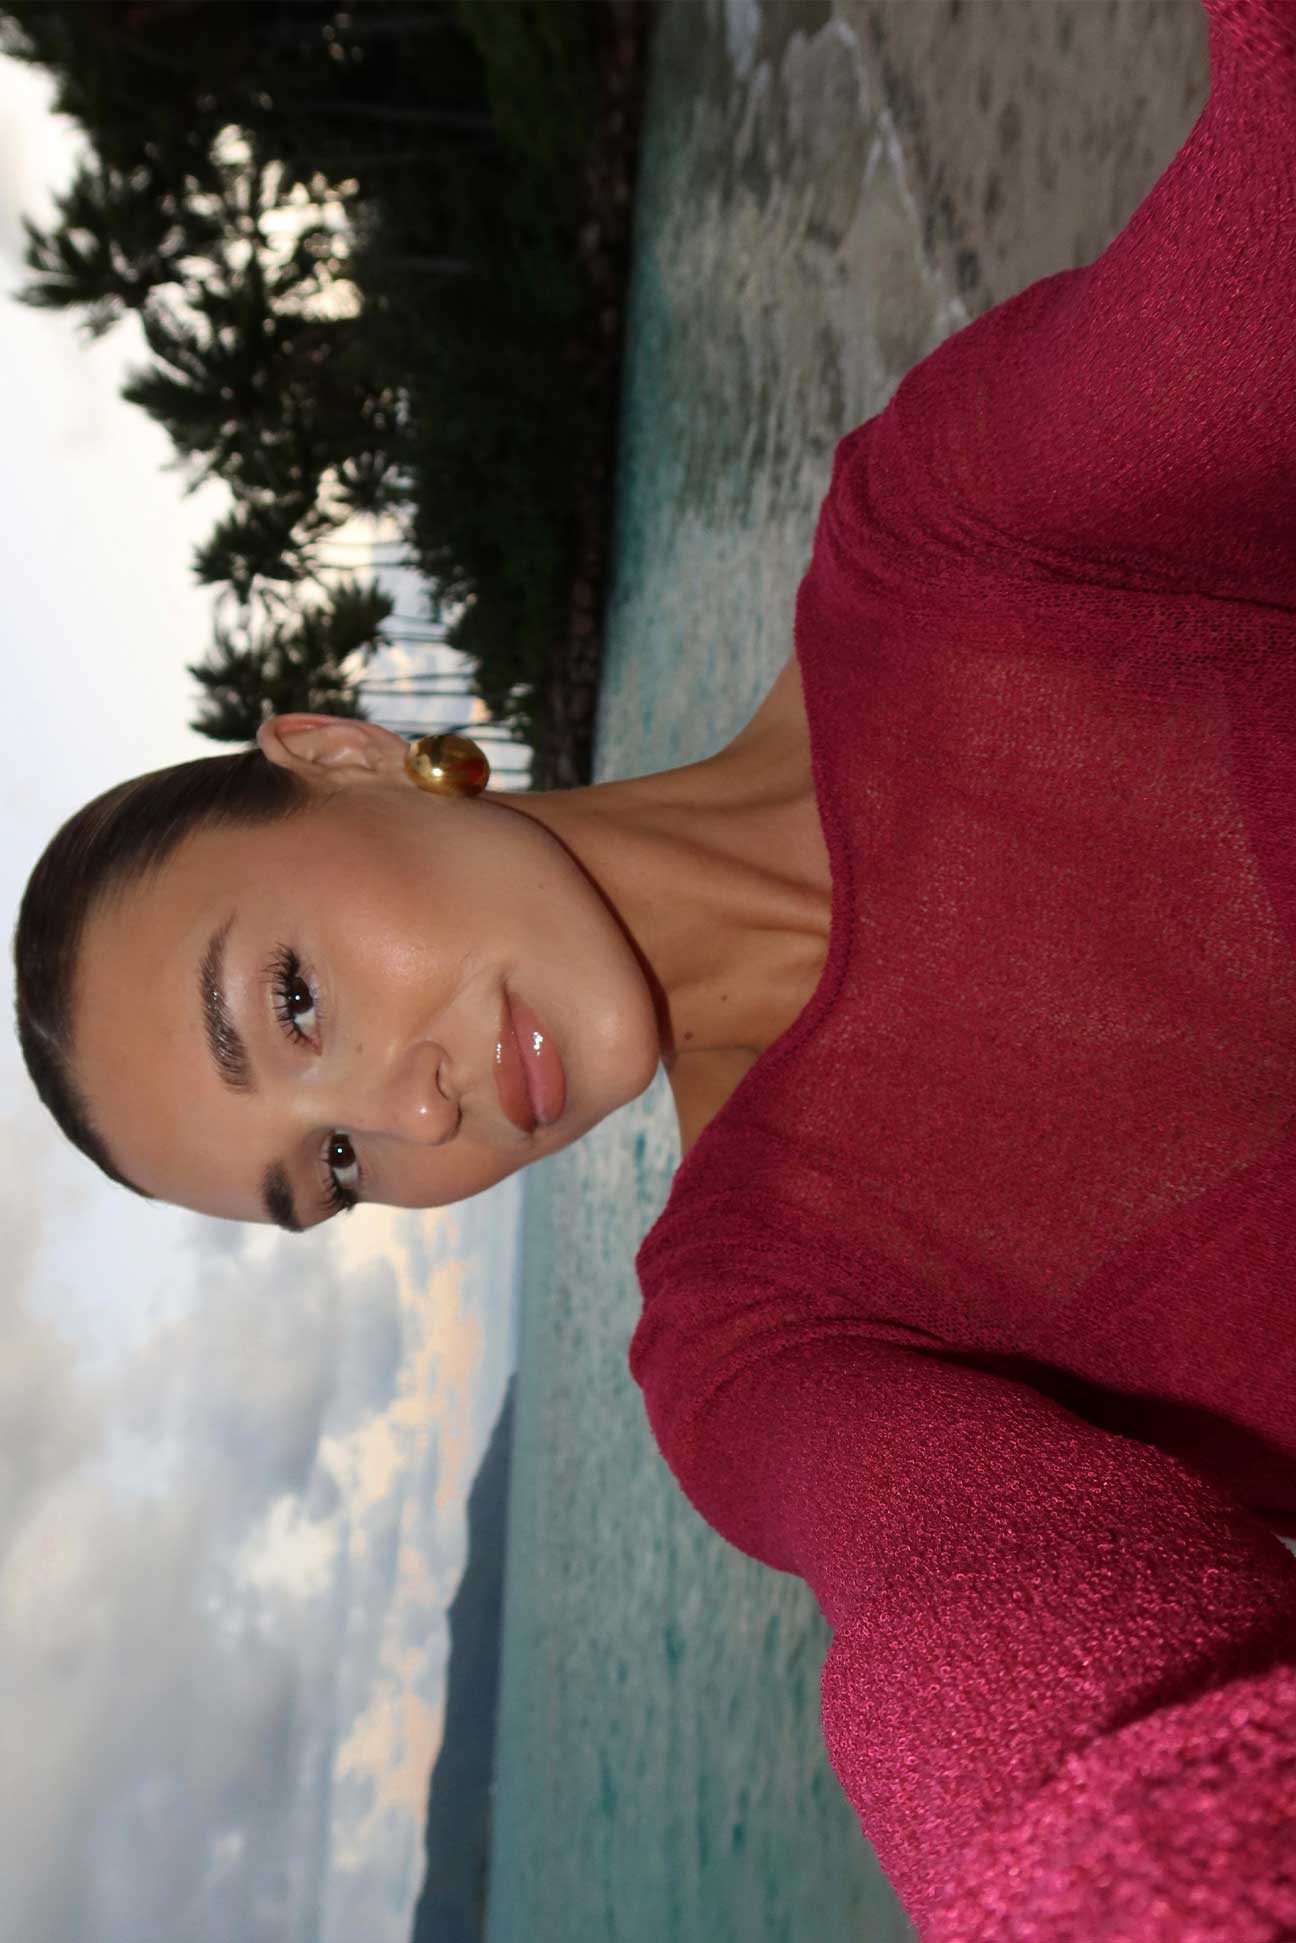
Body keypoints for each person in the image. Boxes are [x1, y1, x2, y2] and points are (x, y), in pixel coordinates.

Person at [13, 0, 1296, 1933]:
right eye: (336, 1172)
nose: (413, 1109)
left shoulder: (956, 557)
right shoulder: (762, 1347)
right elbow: (1016, 1673)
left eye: (290, 1004)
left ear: (343, 756)